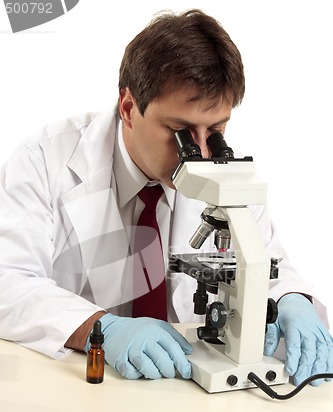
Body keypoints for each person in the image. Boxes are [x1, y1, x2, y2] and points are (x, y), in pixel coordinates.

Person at [0, 9, 332, 386]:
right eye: (181, 131)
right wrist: (101, 329)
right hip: (78, 382)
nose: (203, 152)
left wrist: (292, 300)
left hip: (180, 384)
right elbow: (8, 280)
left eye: (217, 130)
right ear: (129, 108)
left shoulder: (227, 176)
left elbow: (267, 263)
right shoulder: (45, 161)